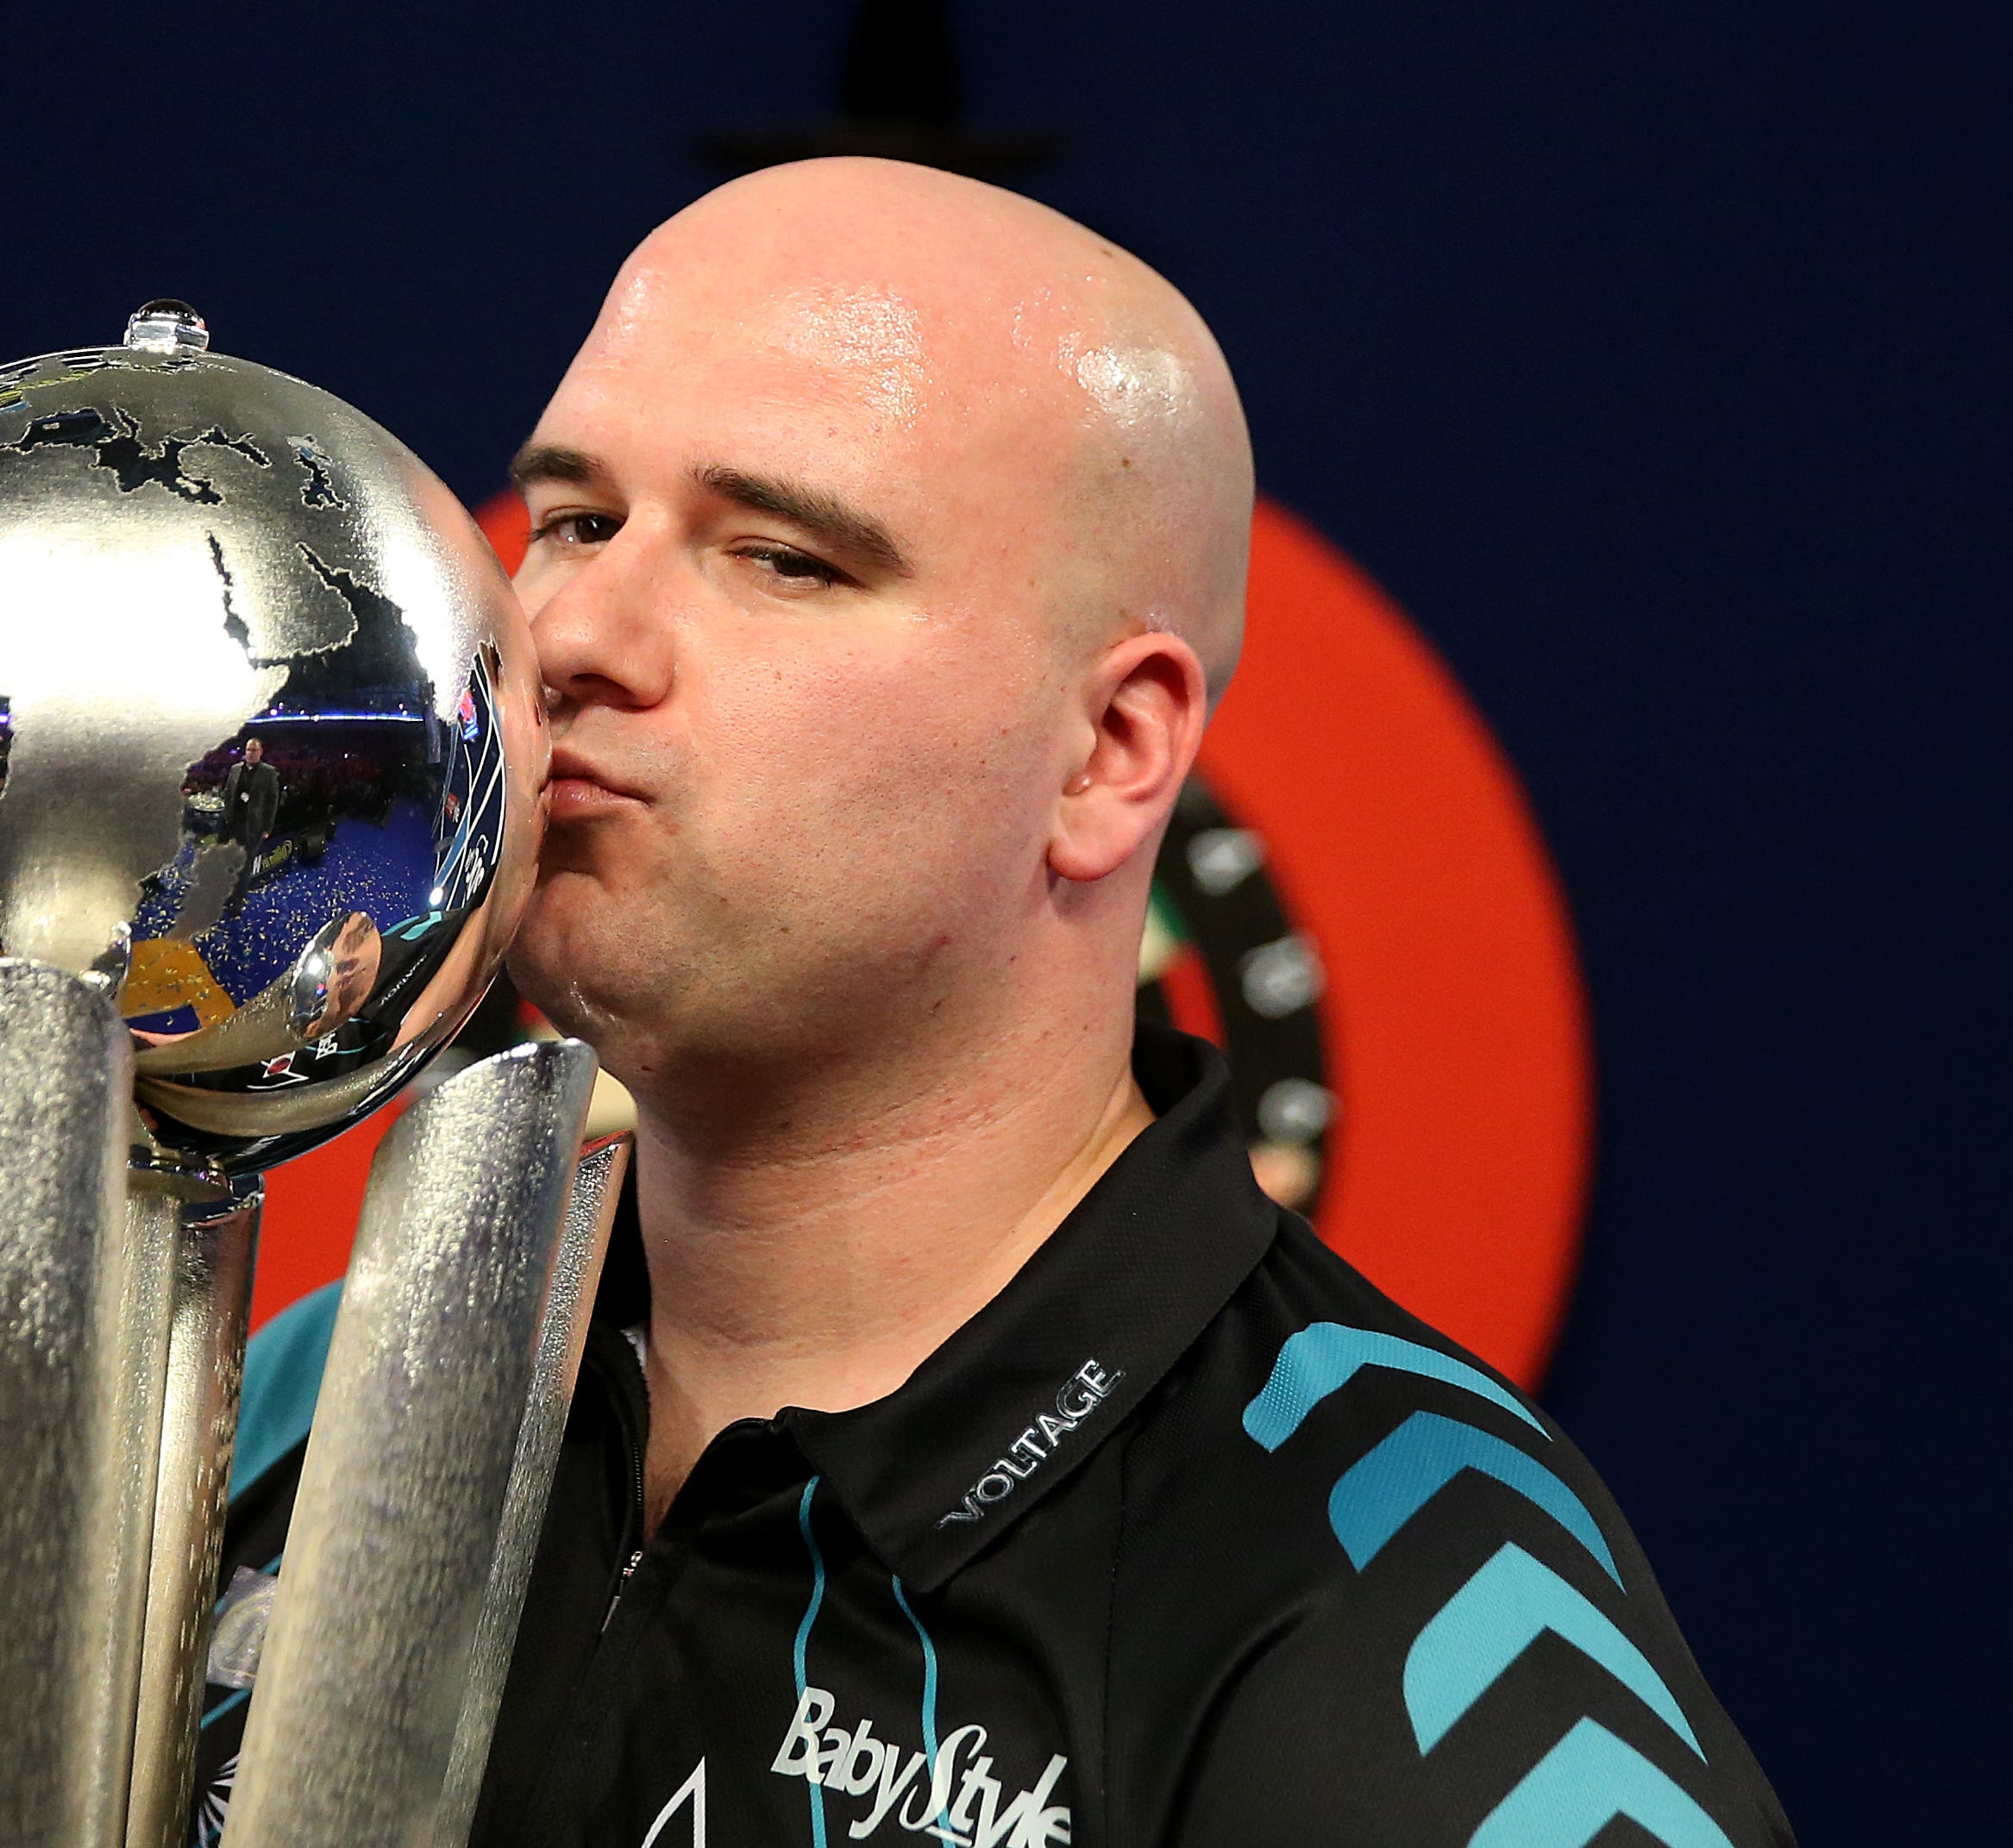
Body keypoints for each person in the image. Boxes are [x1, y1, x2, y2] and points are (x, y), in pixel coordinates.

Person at [201, 160, 1795, 1846]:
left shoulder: (1412, 1609)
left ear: (1109, 754)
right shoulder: (328, 1392)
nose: (576, 628)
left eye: (779, 557)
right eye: (576, 519)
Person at [220, 735, 280, 874]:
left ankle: (241, 890)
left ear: (261, 752)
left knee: (247, 863)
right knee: (231, 858)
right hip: (234, 823)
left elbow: (272, 802)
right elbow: (228, 793)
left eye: (254, 750)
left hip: (254, 826)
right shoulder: (235, 769)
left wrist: (267, 828)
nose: (251, 753)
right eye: (248, 750)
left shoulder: (269, 772)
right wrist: (228, 815)